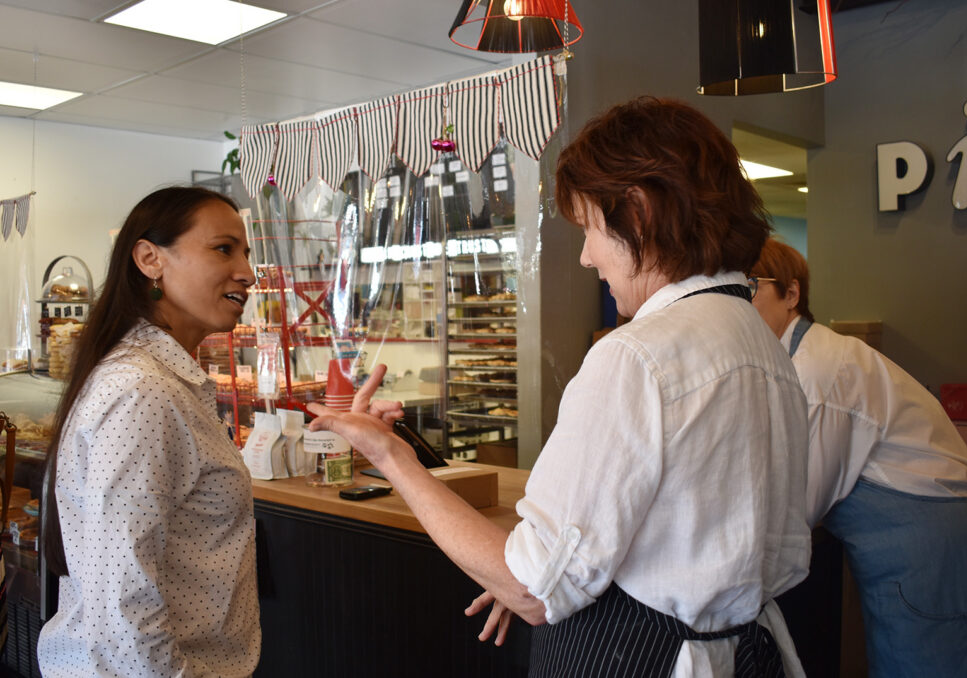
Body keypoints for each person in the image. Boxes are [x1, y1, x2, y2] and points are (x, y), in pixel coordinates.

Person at [309, 97, 813, 677]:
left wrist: (390, 454)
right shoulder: (758, 340)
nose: (585, 256)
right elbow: (679, 526)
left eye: (591, 228)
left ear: (639, 212)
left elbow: (533, 589)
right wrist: (530, 566)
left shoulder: (636, 356)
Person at [749, 237, 967, 677]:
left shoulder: (817, 373)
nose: (739, 306)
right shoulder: (804, 360)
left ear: (792, 293)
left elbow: (792, 513)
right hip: (919, 564)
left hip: (941, 564)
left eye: (750, 287)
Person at [37, 186, 262, 677]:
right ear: (149, 259)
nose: (248, 272)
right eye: (224, 249)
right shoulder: (143, 391)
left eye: (246, 252)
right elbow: (124, 605)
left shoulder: (158, 380)